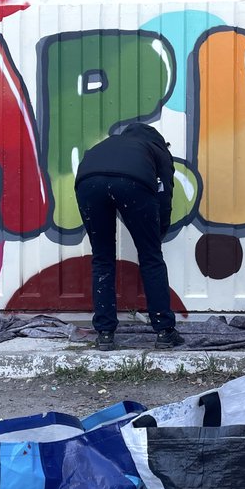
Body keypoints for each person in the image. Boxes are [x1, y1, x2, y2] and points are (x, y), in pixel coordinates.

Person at [75, 122, 184, 351]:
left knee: (102, 258)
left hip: (88, 182)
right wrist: (157, 232)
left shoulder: (110, 143)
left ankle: (104, 334)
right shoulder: (157, 150)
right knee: (150, 257)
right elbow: (164, 195)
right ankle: (164, 331)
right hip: (132, 181)